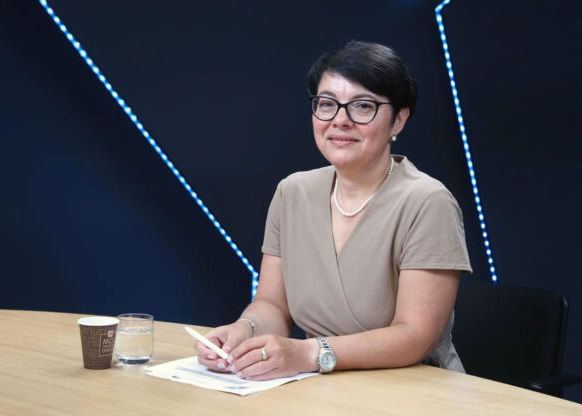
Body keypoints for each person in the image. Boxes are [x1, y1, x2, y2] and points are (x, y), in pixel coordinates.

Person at [195, 40, 472, 380]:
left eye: (363, 106)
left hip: (415, 387)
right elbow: (273, 305)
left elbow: (414, 336)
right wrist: (244, 330)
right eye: (327, 104)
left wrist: (310, 352)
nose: (340, 120)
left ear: (398, 120)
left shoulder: (428, 201)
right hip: (321, 384)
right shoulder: (292, 192)